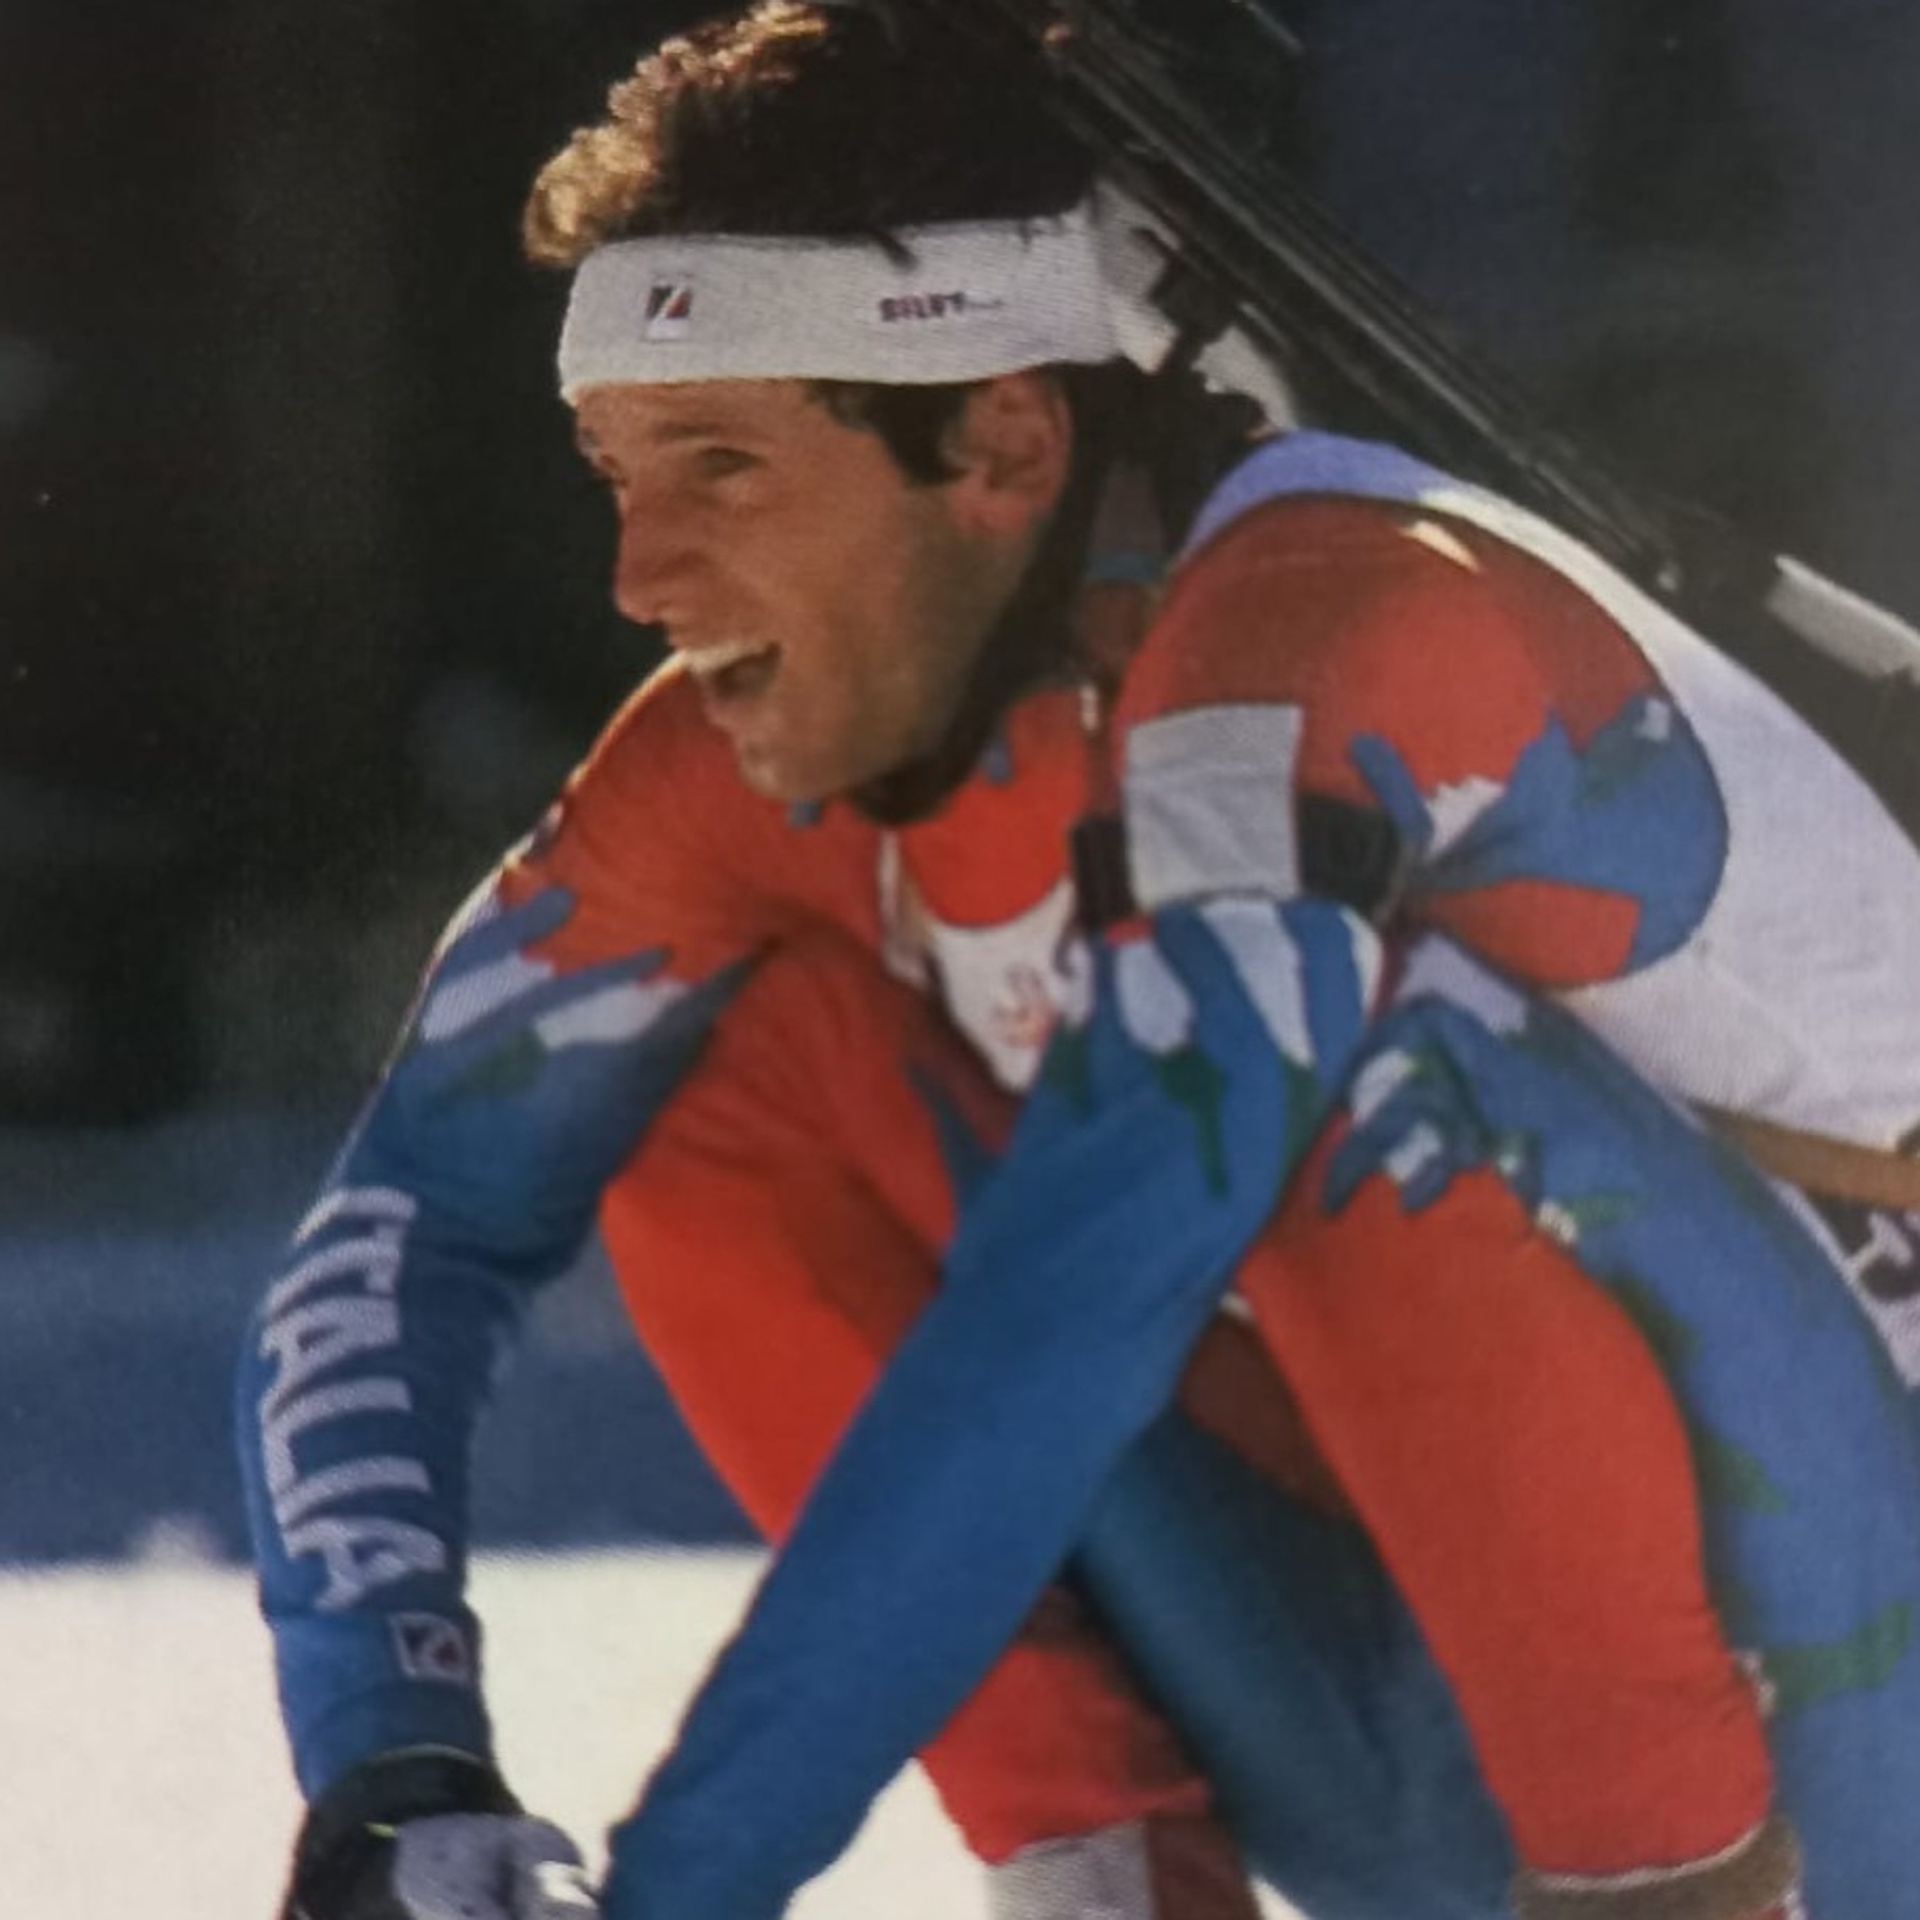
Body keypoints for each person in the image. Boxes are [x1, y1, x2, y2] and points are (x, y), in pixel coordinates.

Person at [236, 7, 1920, 1920]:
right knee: (721, 1072)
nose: (642, 577)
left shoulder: (1328, 626)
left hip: (1858, 1682)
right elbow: (404, 1226)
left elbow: (1065, 1328)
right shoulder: (770, 748)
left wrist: (681, 1882)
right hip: (1518, 1708)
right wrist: (393, 1772)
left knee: (1314, 1076)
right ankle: (1113, 1885)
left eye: (722, 467)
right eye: (617, 471)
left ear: (1003, 443)